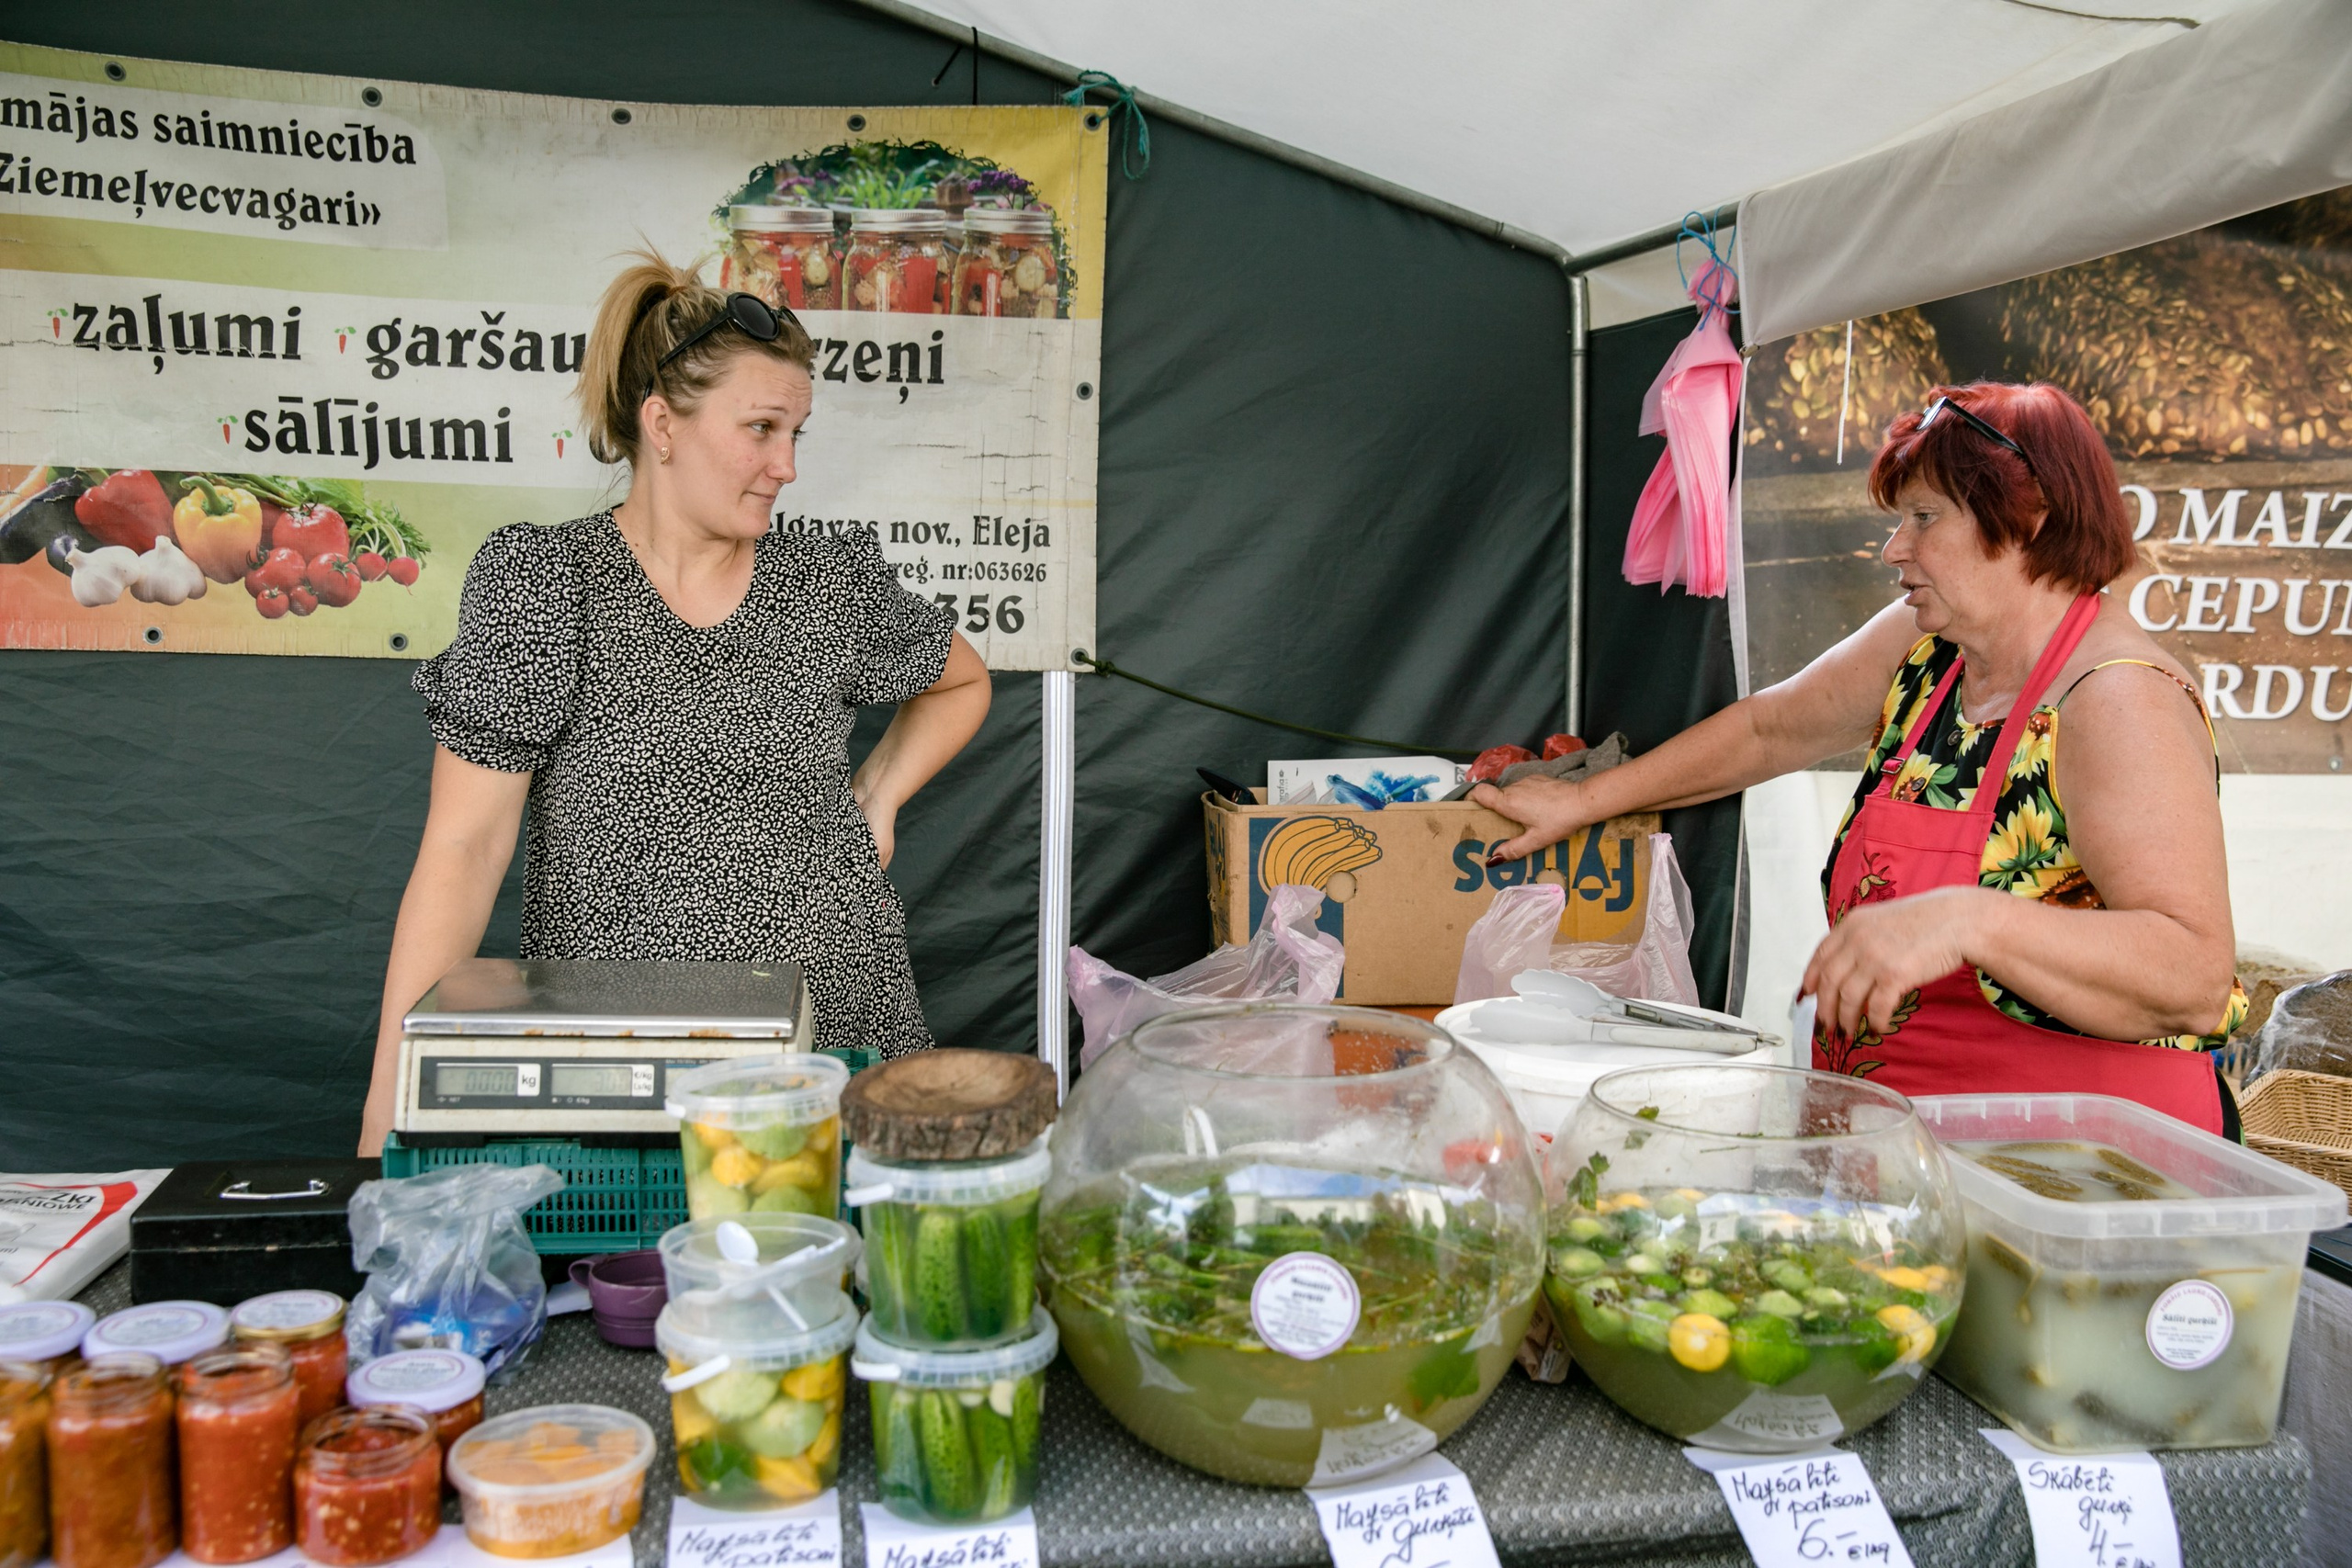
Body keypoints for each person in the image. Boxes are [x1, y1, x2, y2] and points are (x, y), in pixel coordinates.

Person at [1474, 381, 2245, 1134]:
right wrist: (1584, 799)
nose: (1893, 548)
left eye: (1923, 517)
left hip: (2078, 1169)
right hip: (1911, 1145)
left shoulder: (2118, 699)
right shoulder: (1932, 645)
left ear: (2030, 518)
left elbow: (2193, 976)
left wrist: (1968, 920)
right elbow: (1769, 730)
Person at [357, 252, 990, 1153]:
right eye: (762, 429)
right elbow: (464, 847)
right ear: (661, 423)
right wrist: (389, 1110)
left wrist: (878, 795)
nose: (787, 465)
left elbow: (961, 681)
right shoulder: (548, 583)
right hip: (625, 1061)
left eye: (796, 434)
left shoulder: (827, 577)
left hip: (837, 1036)